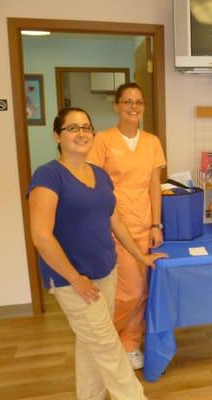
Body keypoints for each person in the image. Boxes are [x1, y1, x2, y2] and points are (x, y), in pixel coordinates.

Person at [28, 107, 167, 399]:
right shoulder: (48, 176)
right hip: (73, 281)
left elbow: (114, 219)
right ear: (57, 135)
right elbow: (41, 237)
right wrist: (75, 278)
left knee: (91, 345)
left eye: (86, 127)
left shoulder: (100, 175)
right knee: (106, 344)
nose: (82, 133)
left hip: (106, 270)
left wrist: (140, 256)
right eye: (72, 128)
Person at [87, 82, 166, 370]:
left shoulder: (152, 142)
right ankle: (101, 338)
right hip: (114, 226)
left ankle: (130, 343)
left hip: (145, 225)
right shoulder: (103, 141)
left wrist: (157, 224)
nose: (134, 107)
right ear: (116, 106)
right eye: (128, 101)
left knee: (143, 291)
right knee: (128, 291)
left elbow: (154, 187)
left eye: (139, 102)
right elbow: (94, 185)